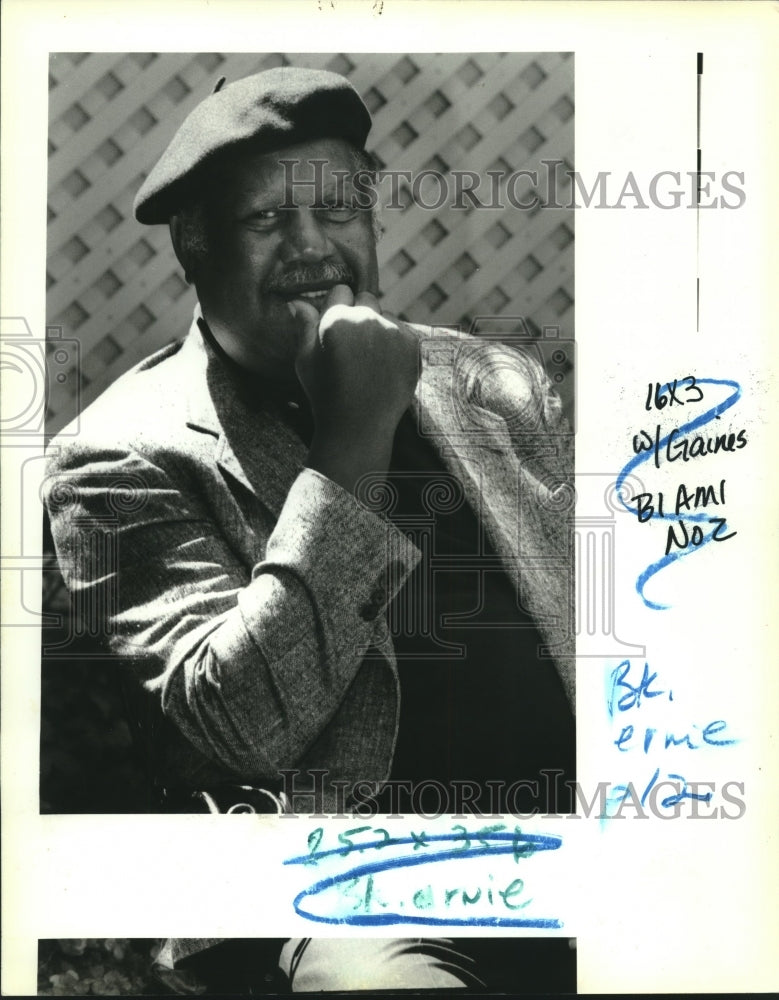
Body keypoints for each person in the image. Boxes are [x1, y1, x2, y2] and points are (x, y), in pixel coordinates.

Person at [44, 66, 575, 993]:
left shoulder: (493, 383)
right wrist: (352, 439)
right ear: (194, 247)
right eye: (265, 222)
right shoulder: (118, 457)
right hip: (330, 890)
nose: (311, 247)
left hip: (576, 846)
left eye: (338, 212)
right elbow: (246, 726)